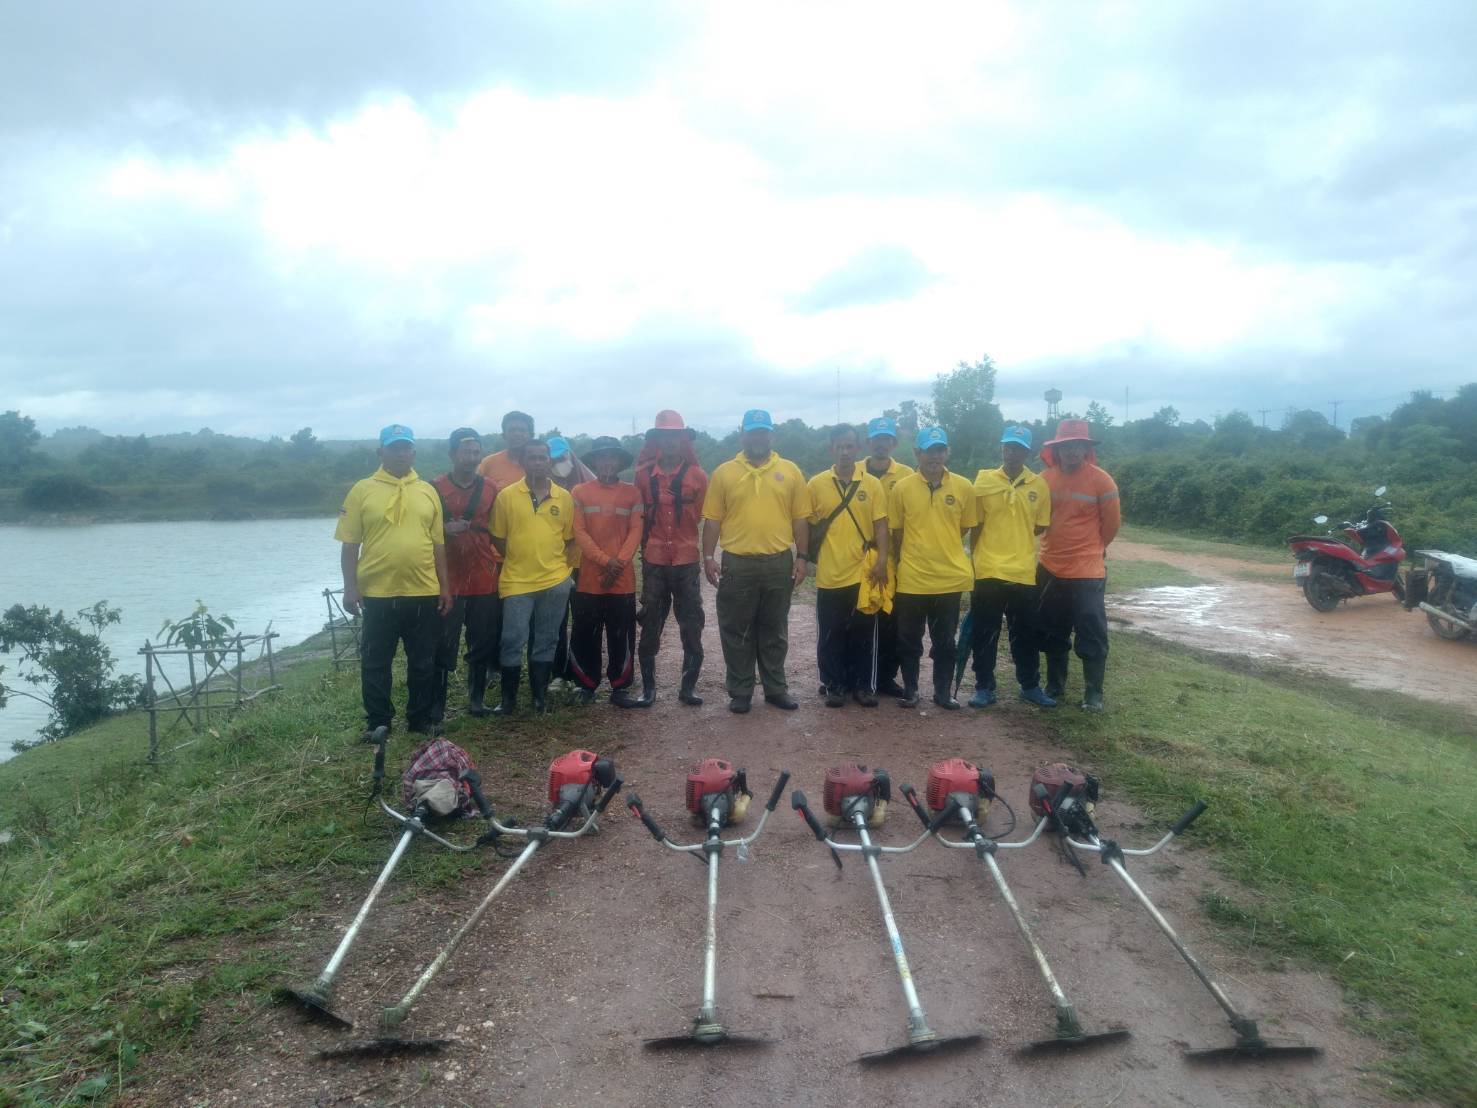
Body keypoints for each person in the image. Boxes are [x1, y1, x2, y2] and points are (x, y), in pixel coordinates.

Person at [334, 424, 452, 739]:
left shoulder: (427, 490)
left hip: (423, 591)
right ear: (381, 452)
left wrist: (445, 587)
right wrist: (350, 587)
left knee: (423, 661)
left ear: (413, 452)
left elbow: (438, 544)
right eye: (394, 447)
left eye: (406, 448)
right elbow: (349, 543)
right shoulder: (362, 490)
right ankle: (378, 721)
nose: (401, 453)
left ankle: (420, 719)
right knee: (376, 661)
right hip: (377, 593)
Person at [702, 409, 812, 713]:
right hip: (737, 563)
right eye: (752, 432)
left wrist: (802, 558)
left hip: (778, 562)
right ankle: (740, 691)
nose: (758, 438)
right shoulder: (724, 473)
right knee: (736, 630)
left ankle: (776, 689)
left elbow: (800, 519)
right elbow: (712, 520)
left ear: (772, 436)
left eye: (763, 432)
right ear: (743, 436)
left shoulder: (790, 471)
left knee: (774, 628)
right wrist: (708, 556)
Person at [888, 426, 978, 709]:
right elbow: (897, 532)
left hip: (949, 578)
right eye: (929, 451)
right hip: (912, 578)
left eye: (940, 450)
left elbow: (964, 527)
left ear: (947, 452)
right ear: (918, 453)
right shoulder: (902, 488)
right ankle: (911, 690)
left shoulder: (964, 487)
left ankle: (942, 693)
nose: (935, 456)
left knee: (945, 641)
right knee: (909, 640)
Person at [967, 426, 1055, 709]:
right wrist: (975, 561)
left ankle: (1030, 686)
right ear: (1002, 448)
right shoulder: (984, 481)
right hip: (988, 569)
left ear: (1028, 452)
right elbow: (976, 525)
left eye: (1018, 448)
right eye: (1008, 447)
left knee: (1025, 633)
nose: (1012, 453)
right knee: (985, 633)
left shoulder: (1039, 485)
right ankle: (984, 687)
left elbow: (1040, 526)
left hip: (1022, 572)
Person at [1037, 419, 1121, 711]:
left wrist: (1093, 550)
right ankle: (1055, 685)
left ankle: (1093, 694)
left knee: (1091, 630)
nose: (1072, 451)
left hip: (1087, 571)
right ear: (1056, 449)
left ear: (1086, 449)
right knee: (1051, 629)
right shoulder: (1044, 480)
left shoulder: (1102, 481)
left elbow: (1111, 525)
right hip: (1050, 566)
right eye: (1066, 446)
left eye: (1077, 446)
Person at [489, 439, 577, 714]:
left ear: (549, 460)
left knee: (547, 639)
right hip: (517, 580)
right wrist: (519, 556)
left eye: (542, 457)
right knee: (512, 639)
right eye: (532, 458)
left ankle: (539, 698)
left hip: (555, 580)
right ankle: (508, 701)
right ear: (523, 462)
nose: (538, 462)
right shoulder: (506, 496)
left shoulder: (564, 497)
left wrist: (563, 572)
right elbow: (498, 537)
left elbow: (569, 538)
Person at [807, 424, 890, 707]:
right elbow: (806, 525)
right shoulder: (816, 484)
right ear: (831, 449)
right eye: (839, 446)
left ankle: (863, 686)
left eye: (849, 446)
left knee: (864, 633)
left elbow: (881, 525)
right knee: (830, 633)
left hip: (863, 572)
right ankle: (834, 684)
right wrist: (804, 558)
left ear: (858, 448)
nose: (844, 452)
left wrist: (882, 560)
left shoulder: (872, 484)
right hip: (829, 572)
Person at [632, 410, 709, 706]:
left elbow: (700, 514)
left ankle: (688, 687)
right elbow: (639, 515)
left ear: (683, 439)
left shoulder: (697, 476)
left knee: (692, 624)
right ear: (657, 440)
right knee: (650, 622)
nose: (670, 441)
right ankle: (648, 689)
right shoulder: (642, 476)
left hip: (686, 561)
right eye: (664, 436)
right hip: (654, 561)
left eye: (676, 436)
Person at [430, 428, 500, 719]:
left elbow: (502, 527)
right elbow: (423, 529)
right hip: (448, 580)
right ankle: (436, 706)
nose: (471, 458)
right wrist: (443, 529)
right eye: (465, 452)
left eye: (475, 452)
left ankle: (476, 700)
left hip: (484, 576)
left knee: (481, 641)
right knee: (442, 643)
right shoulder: (434, 488)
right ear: (452, 454)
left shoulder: (491, 488)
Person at [569, 437, 643, 706]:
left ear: (620, 462)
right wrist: (604, 561)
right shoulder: (579, 492)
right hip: (589, 578)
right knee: (585, 633)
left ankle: (620, 687)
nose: (607, 462)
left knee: (621, 634)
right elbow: (579, 531)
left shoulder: (633, 493)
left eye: (612, 457)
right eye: (602, 457)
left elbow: (636, 530)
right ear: (594, 461)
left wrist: (618, 562)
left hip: (622, 579)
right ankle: (586, 685)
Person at [863, 416, 916, 697]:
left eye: (886, 439)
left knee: (891, 619)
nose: (881, 444)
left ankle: (885, 677)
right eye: (876, 439)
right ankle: (852, 675)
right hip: (859, 556)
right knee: (859, 617)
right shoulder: (855, 471)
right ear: (868, 442)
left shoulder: (907, 474)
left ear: (893, 443)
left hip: (895, 556)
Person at [476, 410, 534, 489]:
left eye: (522, 430)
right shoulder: (488, 463)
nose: (517, 434)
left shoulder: (541, 464)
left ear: (531, 435)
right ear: (504, 435)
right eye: (512, 430)